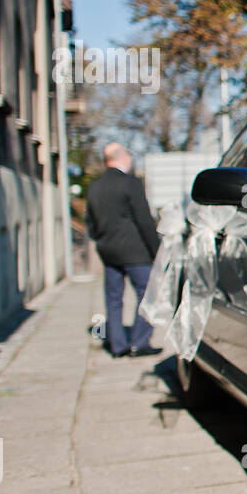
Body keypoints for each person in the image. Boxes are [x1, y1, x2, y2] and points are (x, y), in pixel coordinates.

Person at [86, 143, 162, 358]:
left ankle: (117, 345)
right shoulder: (131, 184)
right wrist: (156, 250)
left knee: (113, 298)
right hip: (135, 252)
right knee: (148, 295)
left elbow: (90, 223)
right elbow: (144, 220)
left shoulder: (95, 186)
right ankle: (139, 342)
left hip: (108, 252)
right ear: (123, 158)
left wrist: (101, 241)